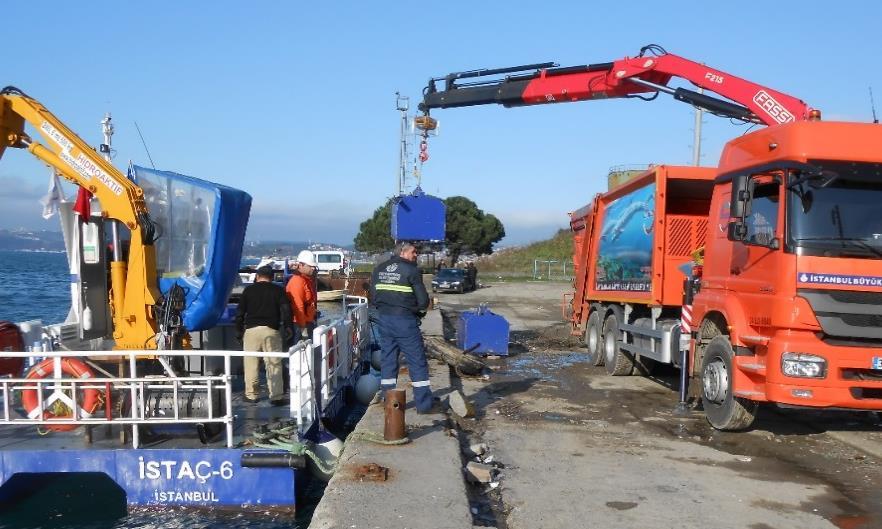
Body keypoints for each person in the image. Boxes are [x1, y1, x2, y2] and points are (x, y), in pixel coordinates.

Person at [371, 242, 441, 414]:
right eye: (413, 252)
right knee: (416, 361)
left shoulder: (379, 270)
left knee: (388, 361)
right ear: (402, 252)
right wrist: (415, 309)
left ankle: (389, 400)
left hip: (385, 321)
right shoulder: (411, 270)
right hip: (405, 322)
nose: (415, 255)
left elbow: (374, 297)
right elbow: (424, 302)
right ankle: (424, 405)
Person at [235, 265, 292, 406]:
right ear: (272, 277)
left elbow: (239, 314)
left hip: (251, 331)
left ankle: (251, 395)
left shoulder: (248, 290)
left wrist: (238, 332)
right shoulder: (278, 290)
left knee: (251, 364)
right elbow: (286, 310)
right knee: (274, 364)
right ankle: (276, 396)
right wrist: (288, 327)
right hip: (271, 331)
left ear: (257, 276)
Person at [286, 250, 318, 340]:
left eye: (314, 266)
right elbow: (298, 306)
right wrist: (303, 328)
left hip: (307, 321)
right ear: (301, 265)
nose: (313, 268)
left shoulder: (305, 280)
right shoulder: (298, 281)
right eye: (310, 266)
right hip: (299, 325)